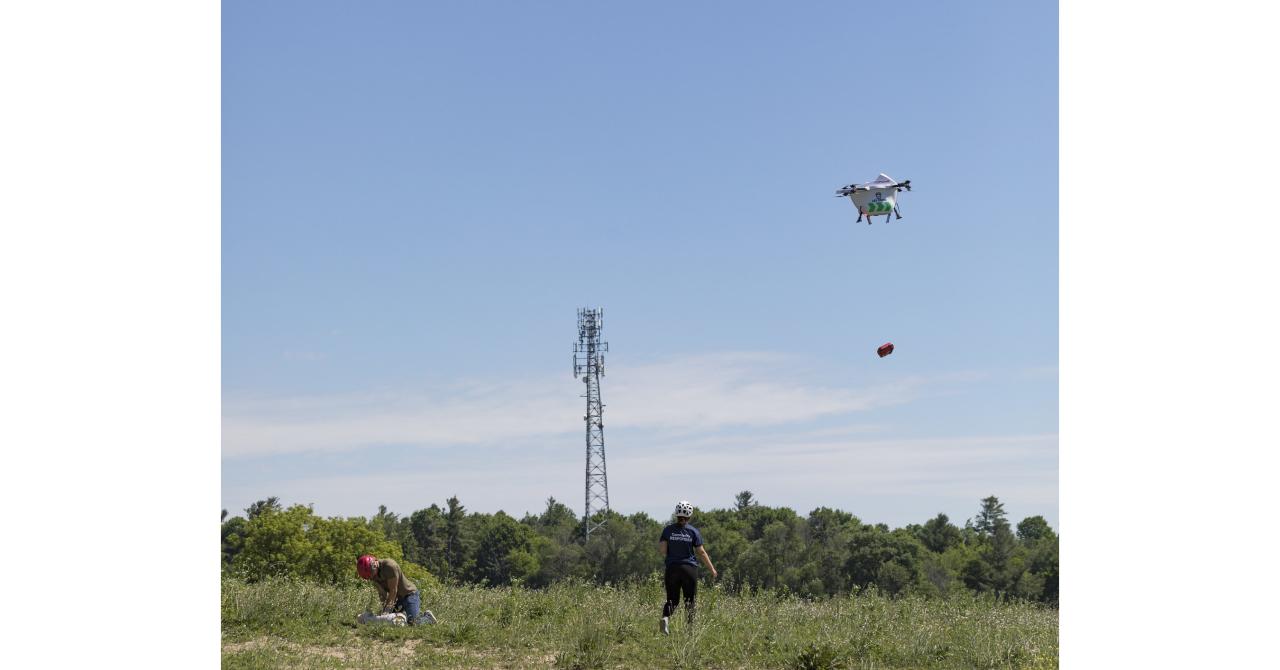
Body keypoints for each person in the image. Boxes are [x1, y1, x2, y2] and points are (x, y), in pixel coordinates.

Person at [658, 500, 717, 635]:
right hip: (689, 569)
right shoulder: (693, 532)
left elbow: (662, 550)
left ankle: (665, 618)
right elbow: (701, 552)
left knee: (672, 599)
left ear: (676, 514)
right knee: (689, 600)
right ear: (689, 516)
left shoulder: (667, 530)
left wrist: (673, 552)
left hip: (672, 568)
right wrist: (712, 569)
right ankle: (689, 631)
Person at [356, 554, 437, 625]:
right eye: (369, 577)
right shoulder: (372, 574)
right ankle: (405, 615)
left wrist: (387, 610)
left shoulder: (389, 566)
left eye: (372, 575)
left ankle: (428, 618)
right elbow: (382, 594)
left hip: (409, 595)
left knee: (413, 622)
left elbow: (393, 591)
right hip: (397, 600)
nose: (372, 578)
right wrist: (383, 611)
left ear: (374, 564)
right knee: (390, 621)